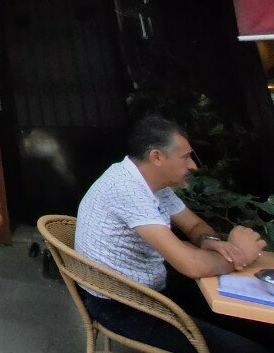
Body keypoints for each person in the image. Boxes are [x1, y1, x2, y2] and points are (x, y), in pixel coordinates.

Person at [75, 116, 270, 353]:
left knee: (263, 327)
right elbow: (191, 265)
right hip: (122, 305)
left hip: (153, 290)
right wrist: (240, 256)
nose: (193, 166)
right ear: (157, 157)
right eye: (186, 157)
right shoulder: (127, 190)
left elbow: (194, 226)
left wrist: (211, 242)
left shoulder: (153, 185)